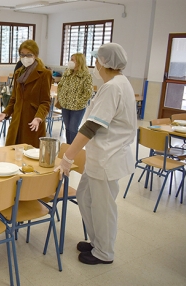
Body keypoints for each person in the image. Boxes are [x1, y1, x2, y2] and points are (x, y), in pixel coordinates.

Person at [55, 43, 137, 265]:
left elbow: (91, 127)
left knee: (103, 207)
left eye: (97, 60)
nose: (96, 65)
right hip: (100, 157)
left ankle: (104, 252)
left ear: (103, 63)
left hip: (107, 158)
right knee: (85, 197)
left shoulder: (112, 87)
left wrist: (68, 157)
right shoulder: (118, 83)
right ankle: (97, 241)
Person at [0, 40, 51, 148]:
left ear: (35, 55)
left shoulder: (44, 74)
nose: (25, 58)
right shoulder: (18, 73)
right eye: (22, 55)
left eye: (29, 55)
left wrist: (38, 118)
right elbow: (14, 99)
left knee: (29, 158)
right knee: (12, 155)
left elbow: (45, 101)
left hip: (32, 123)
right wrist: (5, 113)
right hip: (16, 121)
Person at [57, 53, 93, 144]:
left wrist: (78, 102)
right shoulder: (67, 72)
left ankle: (73, 149)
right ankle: (68, 147)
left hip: (77, 108)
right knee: (67, 128)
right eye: (70, 59)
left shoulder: (86, 75)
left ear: (79, 62)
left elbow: (88, 92)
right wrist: (61, 98)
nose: (70, 61)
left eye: (73, 60)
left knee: (73, 128)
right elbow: (60, 85)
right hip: (65, 105)